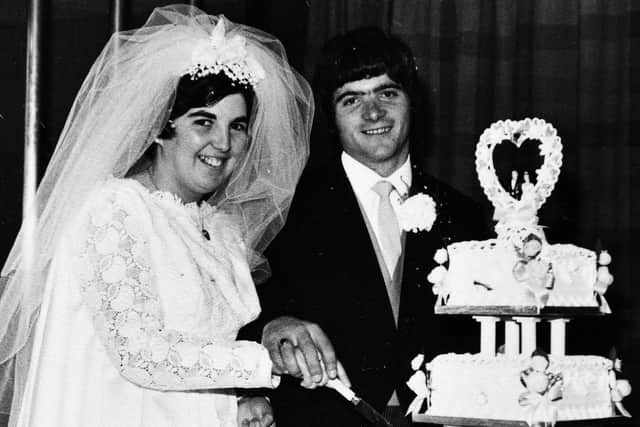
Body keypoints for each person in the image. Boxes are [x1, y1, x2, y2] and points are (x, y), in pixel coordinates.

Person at [0, 5, 317, 427]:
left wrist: (234, 404)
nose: (222, 142)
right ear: (160, 128)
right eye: (203, 121)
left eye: (237, 126)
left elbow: (197, 362)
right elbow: (139, 355)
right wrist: (267, 362)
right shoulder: (114, 208)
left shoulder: (219, 230)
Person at [247, 27, 488, 426]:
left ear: (413, 103)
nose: (373, 113)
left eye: (387, 93)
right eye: (352, 99)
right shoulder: (286, 210)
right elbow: (245, 317)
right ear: (331, 116)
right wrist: (274, 325)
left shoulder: (464, 214)